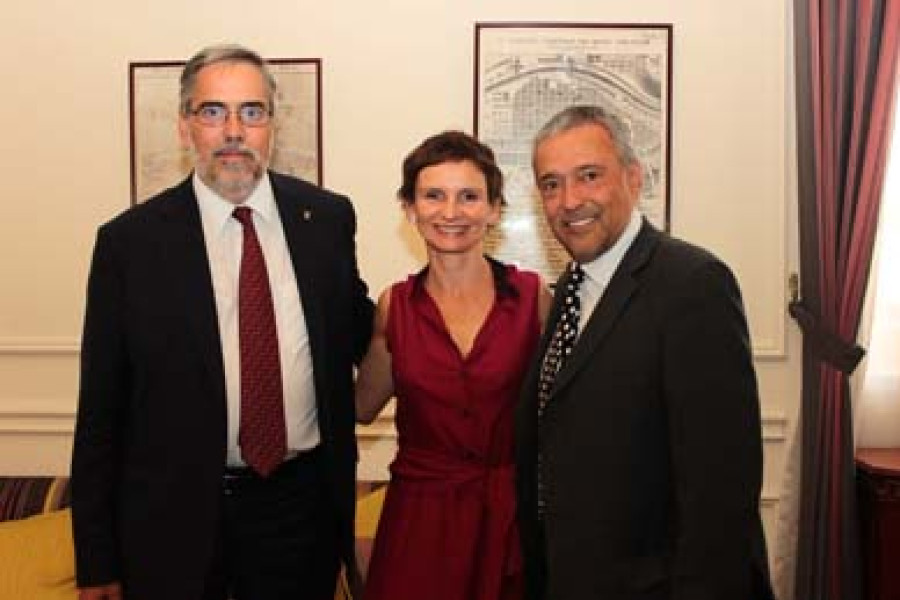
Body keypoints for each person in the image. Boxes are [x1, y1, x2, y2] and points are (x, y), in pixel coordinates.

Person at [71, 44, 373, 600]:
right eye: (213, 112)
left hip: (299, 514)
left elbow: (363, 334)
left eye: (251, 112)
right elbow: (100, 412)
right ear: (184, 125)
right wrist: (95, 561)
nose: (234, 130)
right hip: (173, 521)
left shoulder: (327, 220)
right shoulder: (130, 244)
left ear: (272, 125)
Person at [515, 105, 776, 600]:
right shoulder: (570, 289)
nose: (569, 201)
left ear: (633, 179)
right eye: (551, 184)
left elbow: (720, 490)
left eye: (589, 176)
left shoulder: (693, 284)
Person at [355, 131, 552, 600]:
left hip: (508, 520)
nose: (451, 212)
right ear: (409, 209)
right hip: (419, 523)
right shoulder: (394, 307)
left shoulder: (534, 299)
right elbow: (362, 407)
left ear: (494, 209)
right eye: (433, 196)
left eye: (469, 196)